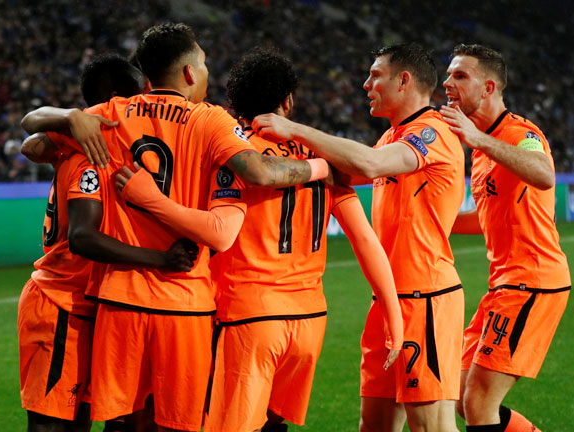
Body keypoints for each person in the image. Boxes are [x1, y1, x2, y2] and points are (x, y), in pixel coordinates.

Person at [21, 23, 331, 432]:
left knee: (120, 422)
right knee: (177, 425)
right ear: (188, 73)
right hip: (185, 300)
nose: (206, 73)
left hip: (119, 298)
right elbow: (258, 171)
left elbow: (34, 144)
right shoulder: (210, 120)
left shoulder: (109, 115)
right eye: (202, 64)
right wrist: (322, 165)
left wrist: (69, 118)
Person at [119, 47, 402, 432]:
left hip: (248, 317)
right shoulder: (323, 160)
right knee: (273, 426)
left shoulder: (235, 152)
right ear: (287, 100)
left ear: (236, 104)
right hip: (308, 321)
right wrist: (393, 314)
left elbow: (217, 228)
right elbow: (365, 241)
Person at [253, 43, 465, 432]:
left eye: (375, 75)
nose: (365, 83)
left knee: (431, 427)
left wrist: (293, 128)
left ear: (404, 81)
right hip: (386, 303)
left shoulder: (431, 131)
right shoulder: (390, 139)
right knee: (376, 425)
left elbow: (368, 164)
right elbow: (340, 171)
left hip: (426, 299)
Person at [17, 53, 192, 432]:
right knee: (52, 425)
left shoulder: (106, 150)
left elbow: (31, 142)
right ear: (112, 101)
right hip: (62, 301)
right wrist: (161, 259)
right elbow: (82, 237)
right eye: (139, 91)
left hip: (92, 305)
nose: (147, 97)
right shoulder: (88, 155)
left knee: (80, 421)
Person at [441, 44, 571, 432]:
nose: (447, 83)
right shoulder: (481, 147)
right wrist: (432, 222)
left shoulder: (520, 133)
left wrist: (477, 140)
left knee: (480, 402)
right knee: (464, 395)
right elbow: (487, 219)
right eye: (448, 75)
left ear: (489, 87)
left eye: (460, 76)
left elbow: (544, 172)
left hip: (533, 281)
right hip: (504, 285)